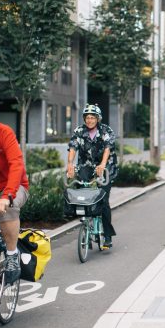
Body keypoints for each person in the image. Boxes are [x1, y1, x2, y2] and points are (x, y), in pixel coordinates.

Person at [0, 96, 29, 283]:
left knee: (8, 209)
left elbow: (16, 164)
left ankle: (12, 255)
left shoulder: (4, 133)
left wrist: (7, 195)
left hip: (13, 187)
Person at [67, 104, 118, 249]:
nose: (89, 120)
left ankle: (107, 235)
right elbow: (73, 147)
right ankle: (86, 225)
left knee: (103, 199)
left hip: (106, 167)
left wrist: (102, 164)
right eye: (87, 117)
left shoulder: (106, 130)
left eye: (92, 117)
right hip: (86, 166)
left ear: (98, 119)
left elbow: (108, 148)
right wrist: (70, 164)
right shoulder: (79, 131)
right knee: (82, 194)